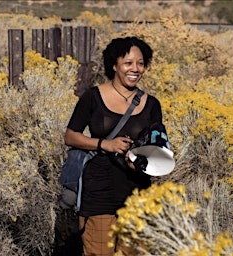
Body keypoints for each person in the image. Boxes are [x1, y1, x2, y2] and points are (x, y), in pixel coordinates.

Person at [64, 36, 163, 255]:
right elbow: (70, 136)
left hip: (137, 193)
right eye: (128, 63)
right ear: (114, 65)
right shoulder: (93, 97)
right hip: (99, 190)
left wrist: (139, 160)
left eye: (140, 63)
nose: (135, 69)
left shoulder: (152, 104)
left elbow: (158, 147)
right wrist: (105, 144)